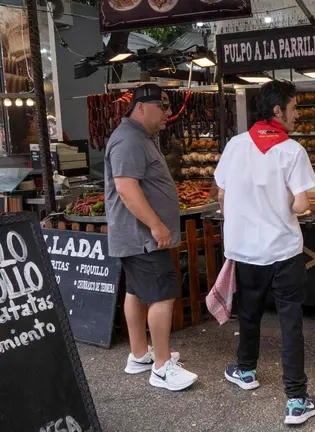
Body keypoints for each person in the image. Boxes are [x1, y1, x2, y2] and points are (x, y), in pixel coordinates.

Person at [213, 80, 315, 425]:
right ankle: (296, 399)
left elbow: (221, 195)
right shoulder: (292, 150)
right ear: (277, 111)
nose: (296, 116)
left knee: (249, 313)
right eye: (293, 109)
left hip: (245, 250)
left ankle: (246, 370)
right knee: (290, 322)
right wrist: (282, 203)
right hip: (283, 250)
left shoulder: (235, 145)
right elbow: (303, 204)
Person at [104, 84, 197, 391]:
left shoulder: (139, 137)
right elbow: (126, 189)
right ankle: (162, 366)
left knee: (137, 292)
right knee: (162, 295)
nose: (168, 114)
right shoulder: (129, 139)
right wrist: (156, 226)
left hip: (137, 237)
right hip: (143, 236)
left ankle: (140, 353)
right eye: (164, 106)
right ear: (141, 107)